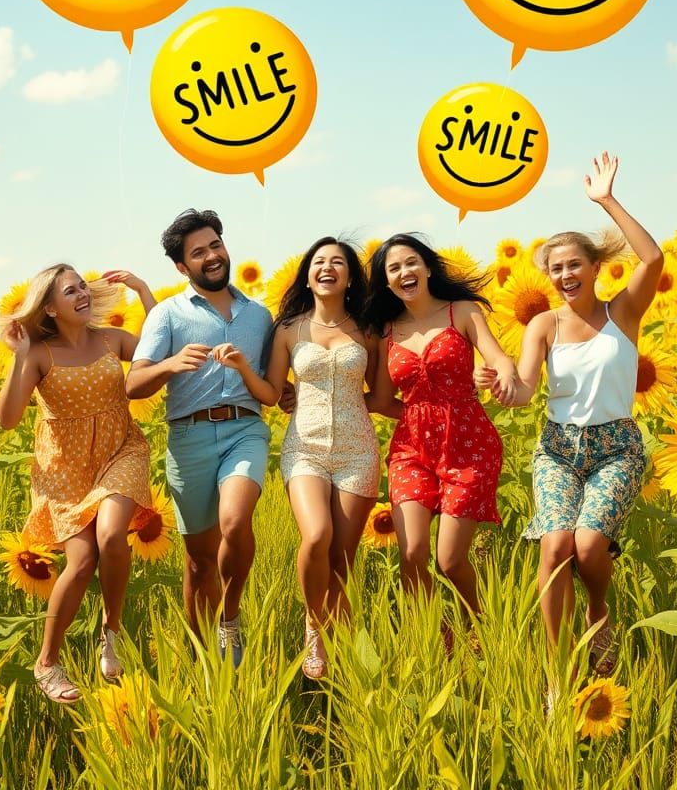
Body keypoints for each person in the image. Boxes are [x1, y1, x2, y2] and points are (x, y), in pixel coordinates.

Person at [476, 152, 662, 686]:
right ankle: (558, 672)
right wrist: (502, 386)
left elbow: (652, 258)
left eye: (573, 265)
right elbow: (527, 388)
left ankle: (598, 608)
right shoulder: (542, 324)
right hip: (559, 448)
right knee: (555, 546)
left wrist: (606, 201)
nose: (564, 275)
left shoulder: (622, 312)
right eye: (555, 268)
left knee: (586, 546)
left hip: (617, 447)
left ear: (595, 268)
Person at [213, 237, 393, 679]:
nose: (327, 267)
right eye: (319, 262)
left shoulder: (369, 330)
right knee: (316, 537)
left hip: (357, 451)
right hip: (305, 449)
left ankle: (348, 662)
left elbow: (382, 396)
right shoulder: (289, 329)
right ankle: (316, 627)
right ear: (307, 274)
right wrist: (241, 369)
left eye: (338, 262)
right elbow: (274, 394)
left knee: (341, 563)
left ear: (350, 276)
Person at [0, 265, 155, 704]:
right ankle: (47, 662)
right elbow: (7, 420)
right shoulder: (40, 355)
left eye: (83, 285)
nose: (83, 293)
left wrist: (143, 292)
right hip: (65, 470)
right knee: (81, 563)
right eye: (71, 291)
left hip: (121, 450)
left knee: (111, 535)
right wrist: (20, 355)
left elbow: (159, 355)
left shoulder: (112, 339)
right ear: (49, 306)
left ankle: (112, 631)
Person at [125, 209, 273, 666]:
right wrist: (170, 365)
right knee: (199, 562)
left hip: (244, 429)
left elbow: (269, 382)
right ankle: (203, 656)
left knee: (235, 520)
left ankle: (230, 618)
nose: (212, 256)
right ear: (181, 267)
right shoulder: (168, 315)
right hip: (188, 438)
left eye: (215, 245)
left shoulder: (259, 315)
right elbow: (134, 384)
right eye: (198, 252)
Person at [363, 234, 516, 627]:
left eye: (410, 262)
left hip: (469, 445)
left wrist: (500, 377)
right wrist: (320, 401)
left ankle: (480, 626)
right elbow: (381, 399)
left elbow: (500, 360)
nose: (404, 272)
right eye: (393, 269)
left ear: (427, 267)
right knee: (412, 552)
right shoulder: (386, 332)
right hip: (411, 451)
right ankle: (434, 637)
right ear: (386, 282)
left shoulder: (461, 312)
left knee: (449, 559)